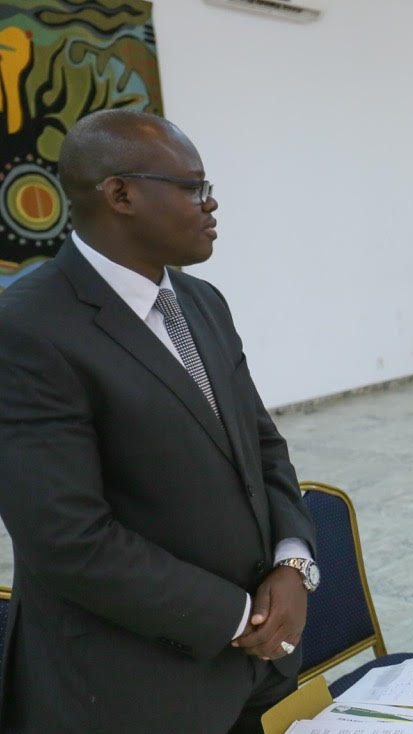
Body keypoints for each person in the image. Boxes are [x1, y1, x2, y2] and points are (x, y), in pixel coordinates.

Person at [0, 110, 318, 733]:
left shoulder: (200, 301)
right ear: (120, 194)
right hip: (130, 689)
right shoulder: (29, 328)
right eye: (194, 187)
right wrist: (234, 617)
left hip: (248, 672)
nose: (212, 203)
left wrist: (291, 563)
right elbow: (67, 537)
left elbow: (261, 447)